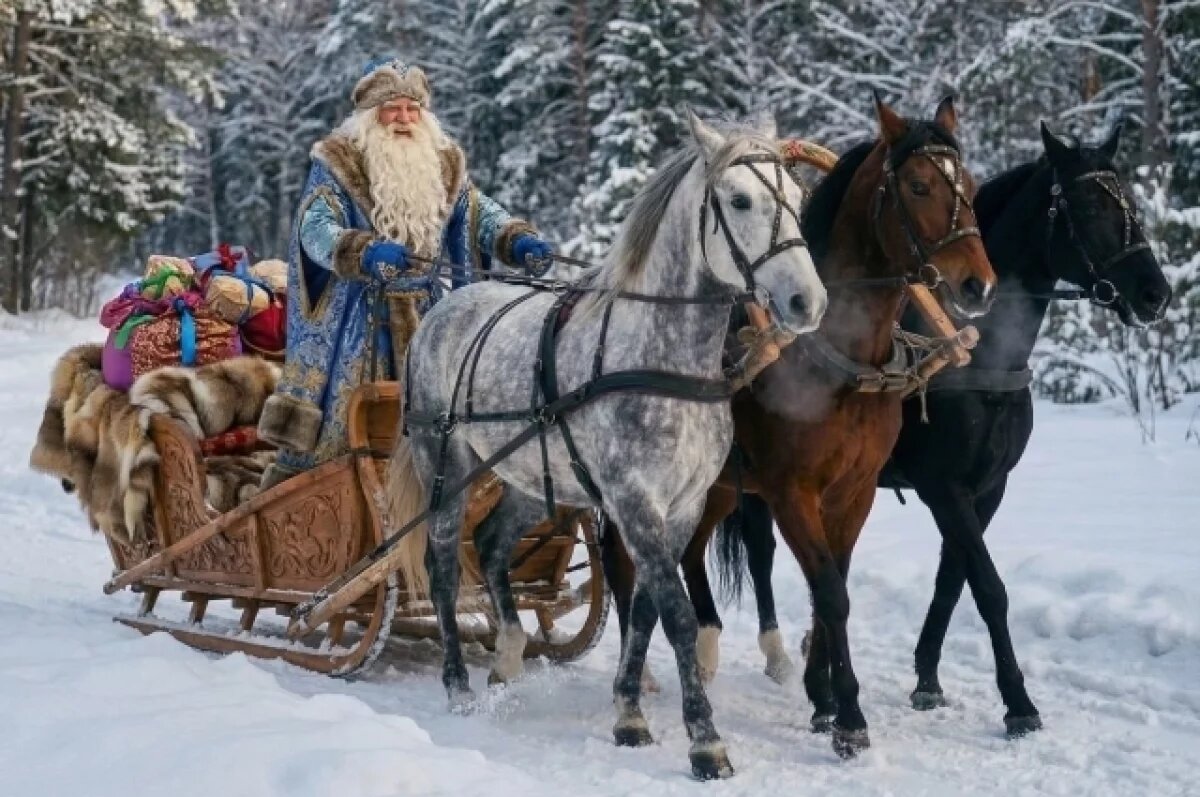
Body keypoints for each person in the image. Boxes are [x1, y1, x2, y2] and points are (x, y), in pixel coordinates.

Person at [257, 58, 552, 489]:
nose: (403, 118)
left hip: (429, 312)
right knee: (353, 421)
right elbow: (314, 227)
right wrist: (364, 251)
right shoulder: (341, 162)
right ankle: (328, 496)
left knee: (452, 410)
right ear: (370, 116)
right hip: (360, 317)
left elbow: (476, 213)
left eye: (412, 109)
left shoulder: (444, 162)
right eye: (392, 108)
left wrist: (513, 238)